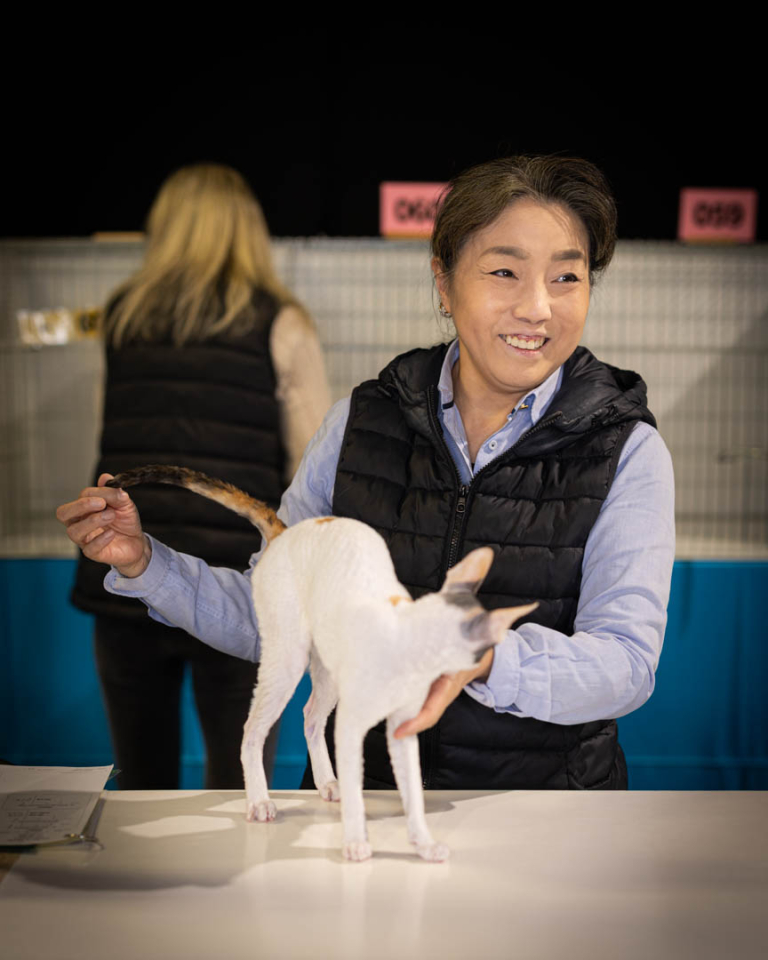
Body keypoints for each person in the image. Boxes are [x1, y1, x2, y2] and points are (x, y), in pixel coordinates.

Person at [58, 155, 675, 791]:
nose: (538, 307)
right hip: (359, 813)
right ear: (444, 279)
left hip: (547, 818)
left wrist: (482, 655)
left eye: (567, 276)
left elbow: (625, 666)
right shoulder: (359, 422)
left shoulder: (626, 449)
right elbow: (267, 615)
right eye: (504, 271)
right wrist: (144, 563)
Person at [68, 163, 331, 789]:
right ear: (247, 230)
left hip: (127, 572)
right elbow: (314, 460)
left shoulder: (123, 317)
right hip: (236, 590)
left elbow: (105, 441)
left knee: (139, 779)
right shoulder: (280, 321)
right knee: (241, 783)